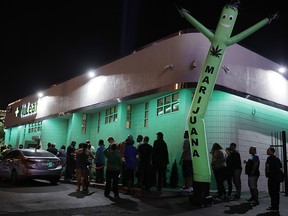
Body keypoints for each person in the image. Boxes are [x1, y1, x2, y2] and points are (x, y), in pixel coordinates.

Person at [265, 147, 283, 213]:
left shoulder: (272, 158)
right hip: (273, 178)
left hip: (274, 178)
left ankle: (275, 208)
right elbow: (280, 166)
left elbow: (276, 168)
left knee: (274, 193)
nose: (267, 151)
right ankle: (273, 206)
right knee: (272, 192)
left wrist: (269, 169)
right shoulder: (275, 158)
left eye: (268, 150)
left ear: (272, 151)